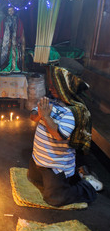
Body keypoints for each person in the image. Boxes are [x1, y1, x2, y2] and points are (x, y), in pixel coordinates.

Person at [27, 67, 101, 207]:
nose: (51, 87)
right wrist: (40, 114)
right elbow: (32, 116)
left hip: (56, 166)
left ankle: (87, 187)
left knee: (54, 198)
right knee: (32, 178)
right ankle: (75, 176)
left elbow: (59, 135)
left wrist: (46, 116)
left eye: (55, 85)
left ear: (66, 87)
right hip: (39, 160)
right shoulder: (51, 100)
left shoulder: (73, 111)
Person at [0, 6, 25, 73]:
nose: (11, 12)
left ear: (14, 11)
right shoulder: (5, 20)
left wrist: (18, 36)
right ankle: (6, 67)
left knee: (15, 53)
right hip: (6, 40)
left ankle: (15, 67)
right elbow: (1, 28)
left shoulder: (17, 19)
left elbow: (20, 28)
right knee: (6, 54)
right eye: (9, 10)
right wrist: (2, 38)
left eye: (12, 10)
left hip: (15, 40)